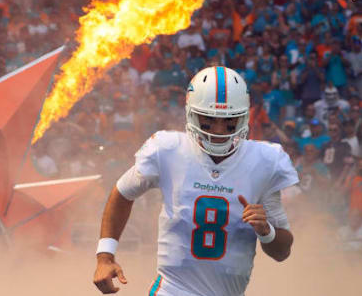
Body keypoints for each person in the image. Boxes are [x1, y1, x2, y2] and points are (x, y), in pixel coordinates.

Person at [93, 66, 299, 295]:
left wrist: (266, 230)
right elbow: (123, 192)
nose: (219, 130)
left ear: (243, 117)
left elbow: (282, 252)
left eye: (229, 121)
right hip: (172, 290)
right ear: (192, 113)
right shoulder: (168, 149)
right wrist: (105, 255)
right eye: (209, 120)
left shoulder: (265, 161)